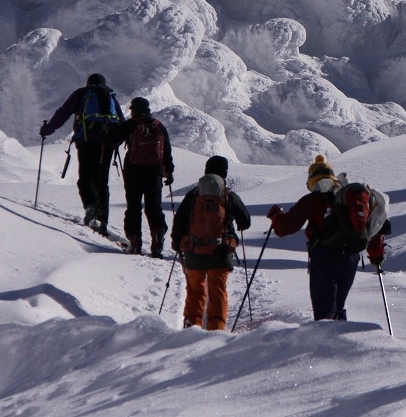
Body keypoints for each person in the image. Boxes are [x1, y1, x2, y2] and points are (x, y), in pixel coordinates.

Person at [267, 157, 390, 322]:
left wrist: (276, 217)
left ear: (311, 180)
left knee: (325, 312)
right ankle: (344, 340)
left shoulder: (313, 199)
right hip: (351, 258)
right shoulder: (349, 197)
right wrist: (375, 254)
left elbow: (285, 228)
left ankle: (329, 344)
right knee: (338, 306)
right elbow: (372, 225)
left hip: (324, 257)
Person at [170, 155, 251, 331]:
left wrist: (177, 242)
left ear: (206, 171)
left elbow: (180, 220)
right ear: (225, 173)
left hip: (194, 251)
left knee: (194, 290)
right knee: (217, 291)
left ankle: (192, 326)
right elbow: (245, 222)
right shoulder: (228, 196)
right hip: (220, 252)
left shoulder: (193, 194)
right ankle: (216, 328)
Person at [40, 72, 125, 232]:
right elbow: (122, 122)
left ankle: (92, 207)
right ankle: (103, 221)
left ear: (88, 83)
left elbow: (63, 112)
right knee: (102, 182)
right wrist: (118, 141)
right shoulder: (111, 97)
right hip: (108, 144)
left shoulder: (82, 94)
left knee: (86, 179)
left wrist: (47, 129)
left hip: (87, 141)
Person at [111, 97, 174, 257]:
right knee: (154, 206)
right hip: (155, 171)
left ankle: (135, 240)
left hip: (133, 170)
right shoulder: (158, 126)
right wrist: (169, 172)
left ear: (134, 110)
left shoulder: (131, 124)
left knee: (134, 206)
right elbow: (166, 151)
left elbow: (112, 139)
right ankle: (157, 232)